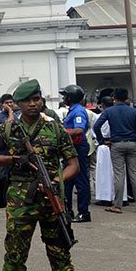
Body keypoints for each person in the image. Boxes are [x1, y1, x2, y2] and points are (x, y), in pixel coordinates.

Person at [0, 79, 91, 271]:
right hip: (20, 204)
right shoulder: (8, 129)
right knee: (15, 254)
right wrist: (14, 159)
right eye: (28, 100)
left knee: (61, 255)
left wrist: (57, 180)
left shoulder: (54, 128)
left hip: (53, 201)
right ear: (17, 104)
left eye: (37, 99)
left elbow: (73, 163)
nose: (33, 104)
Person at [93, 87, 136, 214]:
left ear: (114, 98)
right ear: (127, 98)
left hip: (116, 144)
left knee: (119, 174)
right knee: (134, 175)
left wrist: (102, 140)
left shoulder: (109, 111)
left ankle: (117, 205)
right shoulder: (133, 112)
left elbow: (97, 126)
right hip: (132, 143)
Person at [59, 84, 92, 223]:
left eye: (65, 95)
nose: (63, 98)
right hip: (71, 148)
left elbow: (78, 129)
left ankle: (84, 212)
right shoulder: (73, 110)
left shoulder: (78, 111)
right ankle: (67, 210)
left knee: (80, 180)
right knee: (67, 180)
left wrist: (62, 135)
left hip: (78, 148)